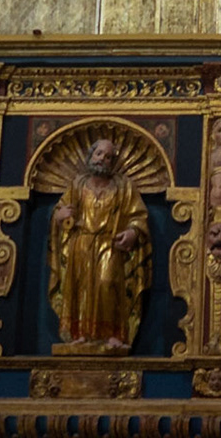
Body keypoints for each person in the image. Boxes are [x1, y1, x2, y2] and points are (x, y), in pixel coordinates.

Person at [49, 136, 151, 352]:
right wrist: (60, 215)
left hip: (110, 244)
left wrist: (133, 232)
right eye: (99, 154)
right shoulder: (77, 185)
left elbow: (139, 216)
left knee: (107, 285)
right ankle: (80, 334)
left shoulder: (124, 187)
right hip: (81, 243)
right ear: (90, 155)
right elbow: (61, 211)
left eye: (108, 156)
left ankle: (113, 334)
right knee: (80, 288)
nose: (102, 159)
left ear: (113, 162)